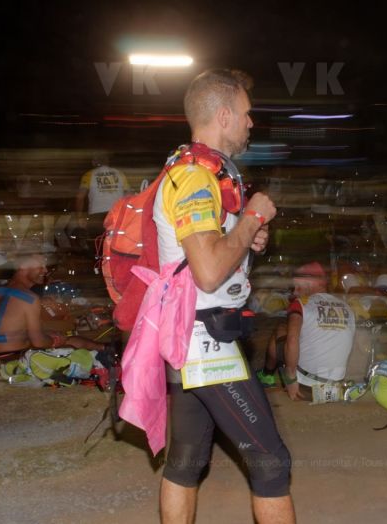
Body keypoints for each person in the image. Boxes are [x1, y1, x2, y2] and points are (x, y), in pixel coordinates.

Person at [156, 69, 295, 523]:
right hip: (204, 339)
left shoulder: (204, 172)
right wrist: (252, 217)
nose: (251, 123)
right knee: (271, 463)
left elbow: (212, 252)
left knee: (187, 460)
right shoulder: (194, 178)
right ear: (223, 116)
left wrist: (247, 236)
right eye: (246, 114)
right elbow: (209, 272)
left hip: (191, 333)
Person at [0, 254, 104, 375]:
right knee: (70, 344)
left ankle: (104, 348)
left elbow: (8, 329)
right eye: (40, 265)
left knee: (56, 336)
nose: (45, 270)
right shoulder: (29, 298)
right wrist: (55, 340)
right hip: (10, 360)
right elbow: (38, 342)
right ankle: (105, 351)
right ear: (23, 266)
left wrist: (49, 336)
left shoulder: (1, 290)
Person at [258, 261, 356, 401]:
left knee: (282, 329)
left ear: (311, 283)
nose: (294, 291)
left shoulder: (300, 304)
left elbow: (292, 340)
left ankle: (267, 375)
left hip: (305, 389)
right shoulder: (347, 306)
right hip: (336, 390)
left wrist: (290, 380)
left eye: (298, 286)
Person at [74, 153, 131, 248]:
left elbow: (80, 197)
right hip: (117, 214)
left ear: (94, 162)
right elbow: (128, 195)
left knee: (97, 245)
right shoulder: (119, 173)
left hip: (97, 215)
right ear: (107, 161)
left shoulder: (89, 175)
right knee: (117, 245)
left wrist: (79, 217)